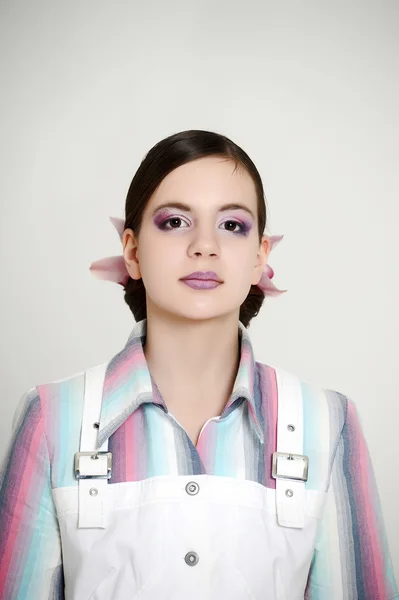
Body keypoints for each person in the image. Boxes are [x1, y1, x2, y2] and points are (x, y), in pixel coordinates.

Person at [0, 129, 397, 600]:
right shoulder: (51, 418)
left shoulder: (329, 423)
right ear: (132, 251)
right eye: (174, 222)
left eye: (232, 225)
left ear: (259, 257)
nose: (205, 246)